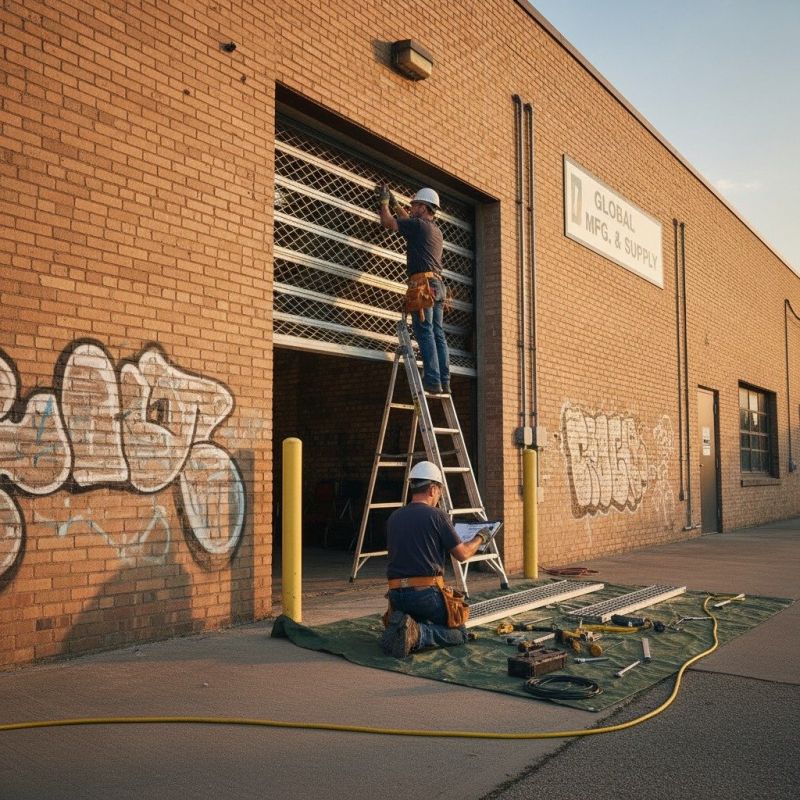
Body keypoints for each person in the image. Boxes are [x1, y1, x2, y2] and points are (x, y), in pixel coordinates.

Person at [379, 461, 493, 658]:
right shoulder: (437, 515)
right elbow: (463, 554)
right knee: (459, 633)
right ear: (432, 489)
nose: (439, 497)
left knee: (419, 615)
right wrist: (481, 537)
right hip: (425, 596)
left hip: (396, 597)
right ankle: (417, 634)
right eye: (439, 492)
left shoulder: (394, 517)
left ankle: (403, 625)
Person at [378, 184, 451, 395]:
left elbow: (388, 222)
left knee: (425, 332)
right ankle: (444, 380)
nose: (411, 209)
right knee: (438, 334)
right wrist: (396, 205)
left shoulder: (418, 226)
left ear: (424, 207)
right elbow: (408, 221)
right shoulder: (434, 230)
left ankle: (432, 380)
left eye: (415, 205)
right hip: (438, 286)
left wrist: (384, 204)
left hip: (423, 286)